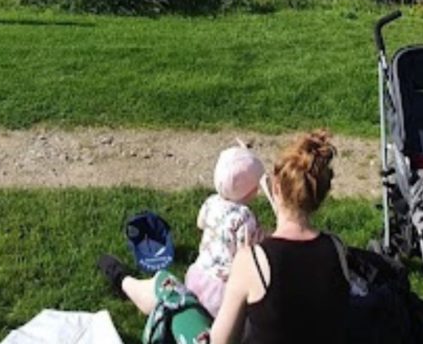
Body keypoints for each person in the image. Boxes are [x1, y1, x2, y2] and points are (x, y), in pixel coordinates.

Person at [98, 130, 349, 344]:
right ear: (319, 198)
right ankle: (124, 282)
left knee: (168, 289)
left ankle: (122, 280)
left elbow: (219, 341)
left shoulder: (252, 260)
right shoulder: (337, 249)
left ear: (275, 188)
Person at [184, 144, 265, 318]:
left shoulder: (211, 202)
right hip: (221, 288)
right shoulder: (244, 217)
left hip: (198, 273)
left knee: (200, 314)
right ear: (249, 190)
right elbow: (248, 250)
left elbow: (200, 223)